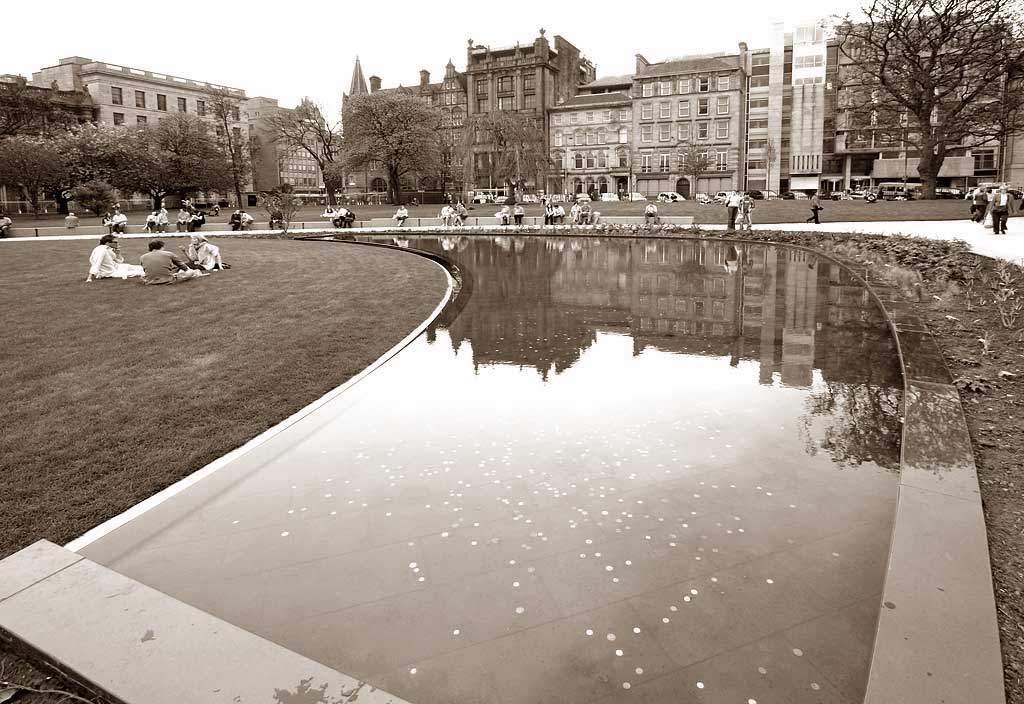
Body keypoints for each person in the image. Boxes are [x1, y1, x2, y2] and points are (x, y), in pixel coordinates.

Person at [140, 240, 208, 285]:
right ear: (161, 247)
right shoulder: (169, 254)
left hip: (149, 281)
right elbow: (184, 267)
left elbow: (146, 269)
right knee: (191, 272)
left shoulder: (142, 257)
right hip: (167, 280)